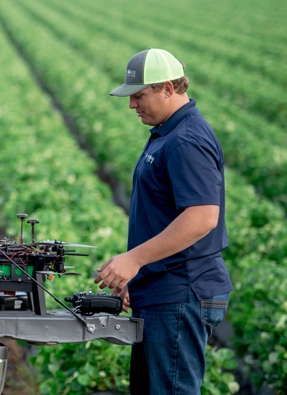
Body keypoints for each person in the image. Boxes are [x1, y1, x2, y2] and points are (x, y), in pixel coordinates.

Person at [95, 48, 232, 394]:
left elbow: (202, 217)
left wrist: (135, 259)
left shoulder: (186, 139)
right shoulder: (168, 133)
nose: (132, 105)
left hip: (181, 292)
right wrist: (138, 273)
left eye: (139, 95)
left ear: (168, 89)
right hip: (164, 289)